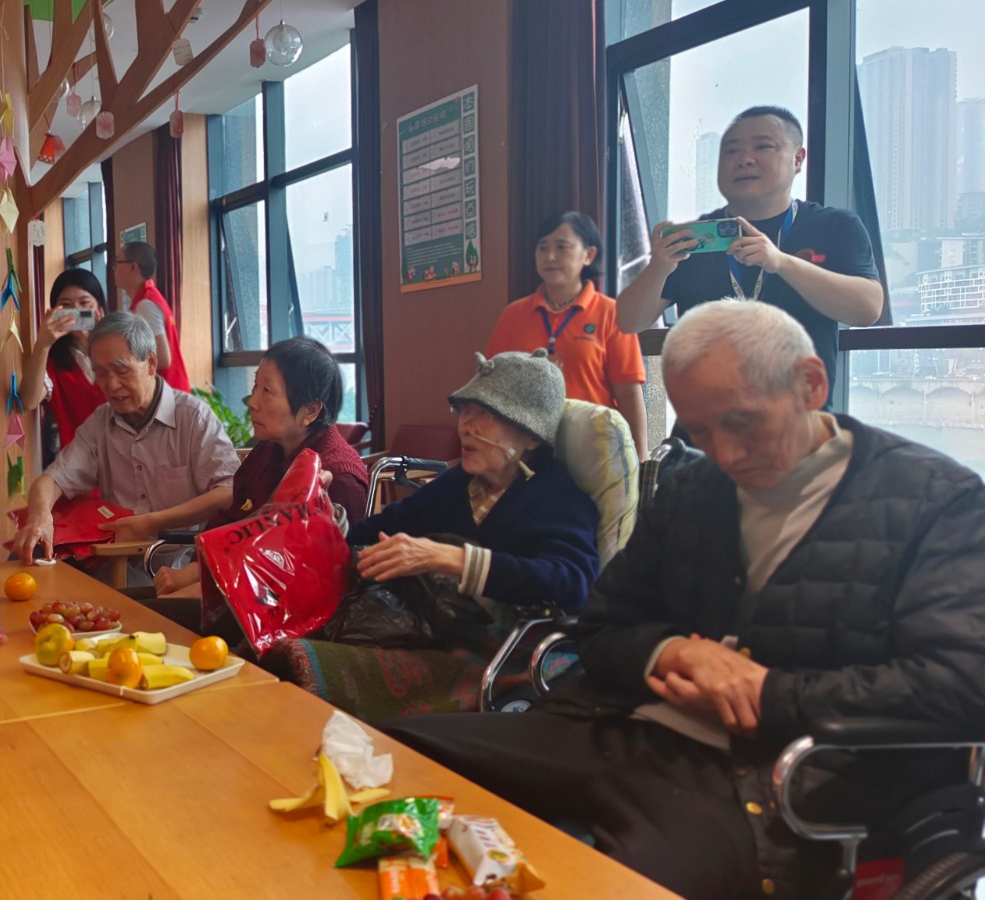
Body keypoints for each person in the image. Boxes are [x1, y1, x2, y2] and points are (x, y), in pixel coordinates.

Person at [381, 301, 985, 900]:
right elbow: (601, 625)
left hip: (764, 774)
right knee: (394, 762)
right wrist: (669, 652)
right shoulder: (696, 486)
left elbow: (961, 683)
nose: (725, 454)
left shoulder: (934, 502)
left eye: (741, 422)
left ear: (811, 383)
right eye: (700, 431)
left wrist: (769, 692)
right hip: (616, 726)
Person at [262, 350, 601, 719]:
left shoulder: (558, 496)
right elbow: (372, 534)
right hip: (436, 631)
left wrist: (452, 558)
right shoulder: (459, 483)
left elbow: (574, 581)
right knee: (272, 641)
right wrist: (326, 515)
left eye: (486, 415)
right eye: (465, 411)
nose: (466, 427)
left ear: (532, 436)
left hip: (501, 651)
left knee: (301, 663)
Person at [617, 106, 883, 393]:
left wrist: (781, 263)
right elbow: (627, 322)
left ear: (797, 159)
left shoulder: (834, 226)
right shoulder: (696, 239)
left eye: (763, 147)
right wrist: (659, 267)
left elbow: (867, 310)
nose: (744, 159)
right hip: (704, 414)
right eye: (731, 151)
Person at [11, 311, 237, 582]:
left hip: (177, 565)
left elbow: (228, 491)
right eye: (101, 373)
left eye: (121, 370)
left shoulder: (193, 417)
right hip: (113, 561)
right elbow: (52, 479)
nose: (111, 384)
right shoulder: (100, 423)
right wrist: (40, 519)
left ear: (150, 363)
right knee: (24, 559)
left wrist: (153, 522)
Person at [151, 336, 371, 597]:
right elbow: (229, 519)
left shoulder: (339, 475)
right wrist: (195, 569)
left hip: (274, 606)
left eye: (267, 391)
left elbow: (323, 581)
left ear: (310, 411)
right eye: (255, 386)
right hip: (224, 583)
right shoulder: (269, 449)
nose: (252, 402)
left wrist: (197, 579)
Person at [487, 211, 648, 458]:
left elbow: (628, 395)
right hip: (527, 451)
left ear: (589, 255)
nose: (550, 257)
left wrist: (640, 459)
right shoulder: (513, 314)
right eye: (542, 248)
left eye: (562, 247)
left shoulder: (612, 313)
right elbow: (493, 388)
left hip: (595, 451)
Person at [19, 269, 109, 450]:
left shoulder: (117, 351)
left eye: (84, 304)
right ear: (54, 311)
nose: (75, 312)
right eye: (66, 305)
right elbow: (29, 400)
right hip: (78, 461)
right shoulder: (54, 362)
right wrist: (43, 343)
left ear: (99, 309)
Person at [113, 241, 190, 392]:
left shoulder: (146, 304)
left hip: (168, 393)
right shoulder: (146, 298)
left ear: (133, 266)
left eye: (117, 263)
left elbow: (162, 358)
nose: (114, 269)